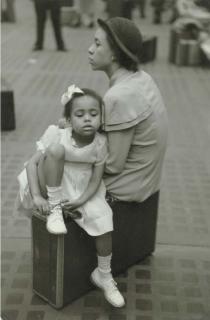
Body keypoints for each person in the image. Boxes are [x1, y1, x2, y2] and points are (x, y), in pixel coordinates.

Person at [17, 85, 125, 308]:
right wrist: (38, 196)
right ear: (67, 118)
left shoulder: (101, 143)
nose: (87, 119)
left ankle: (103, 274)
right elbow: (32, 163)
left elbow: (96, 179)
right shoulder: (57, 134)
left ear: (101, 118)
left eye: (94, 114)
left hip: (81, 186)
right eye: (79, 114)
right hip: (52, 178)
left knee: (104, 219)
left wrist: (82, 200)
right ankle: (55, 209)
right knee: (56, 150)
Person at [88, 14, 168, 274]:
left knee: (51, 163)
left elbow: (113, 164)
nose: (90, 49)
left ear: (114, 55)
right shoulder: (141, 78)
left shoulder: (119, 96)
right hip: (148, 178)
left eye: (98, 44)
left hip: (130, 186)